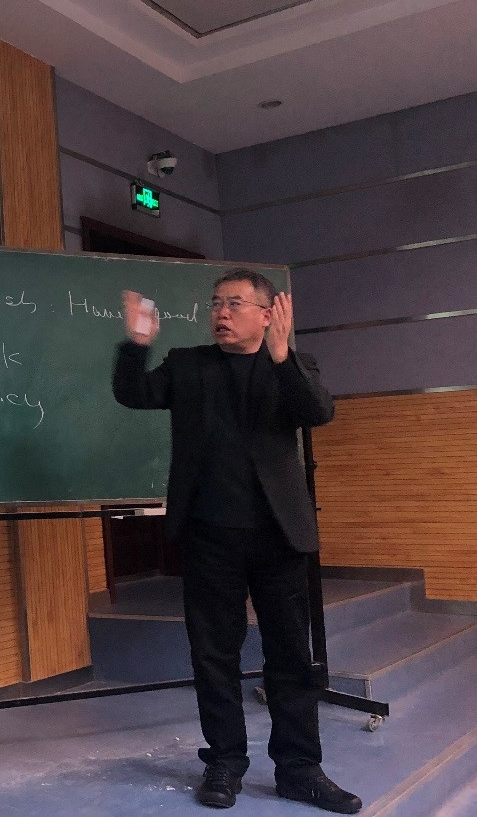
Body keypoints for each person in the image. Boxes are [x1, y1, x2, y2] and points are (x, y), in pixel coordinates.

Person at [112, 269, 361, 814]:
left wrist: (282, 357)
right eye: (216, 303)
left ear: (267, 314)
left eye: (235, 303)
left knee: (291, 656)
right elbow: (131, 393)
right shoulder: (188, 364)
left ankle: (299, 769)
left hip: (279, 536)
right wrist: (137, 345)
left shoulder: (294, 365)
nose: (221, 313)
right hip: (209, 535)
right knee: (214, 655)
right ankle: (224, 761)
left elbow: (318, 411)